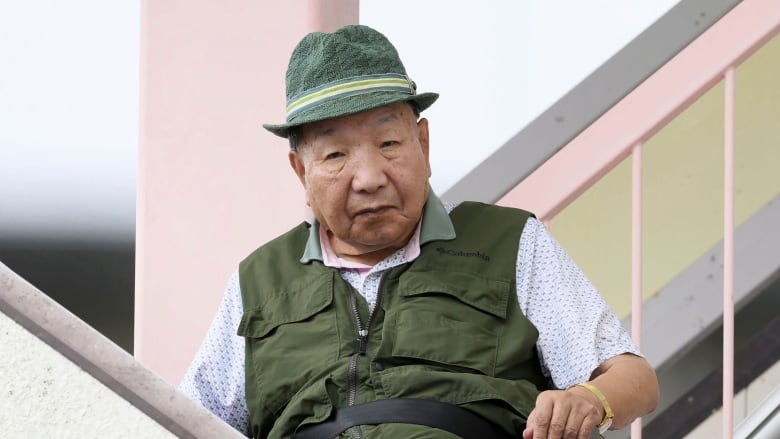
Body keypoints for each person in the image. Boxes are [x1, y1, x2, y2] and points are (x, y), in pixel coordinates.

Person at [180, 24, 659, 439]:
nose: (369, 178)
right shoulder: (257, 282)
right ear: (301, 173)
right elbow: (183, 419)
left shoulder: (511, 242)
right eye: (335, 155)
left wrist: (589, 398)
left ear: (423, 144)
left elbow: (634, 378)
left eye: (389, 143)